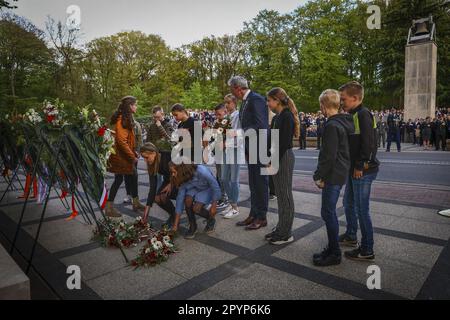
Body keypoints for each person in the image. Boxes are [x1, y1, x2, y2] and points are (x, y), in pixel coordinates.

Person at [339, 81, 379, 262]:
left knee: (362, 209)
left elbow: (369, 144)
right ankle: (351, 235)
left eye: (344, 99)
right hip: (354, 168)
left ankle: (367, 248)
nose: (341, 103)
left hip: (362, 170)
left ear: (355, 98)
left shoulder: (363, 114)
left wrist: (359, 166)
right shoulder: (352, 114)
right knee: (348, 204)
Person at [313, 89, 354, 266]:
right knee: (328, 212)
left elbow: (328, 155)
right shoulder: (345, 122)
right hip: (341, 171)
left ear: (324, 106)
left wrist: (318, 175)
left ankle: (334, 253)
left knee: (328, 212)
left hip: (333, 174)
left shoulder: (331, 125)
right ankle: (331, 248)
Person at [228, 76, 269, 231]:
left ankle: (262, 217)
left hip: (260, 147)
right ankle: (254, 213)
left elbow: (260, 125)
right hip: (251, 148)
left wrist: (238, 133)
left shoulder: (256, 99)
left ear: (238, 87)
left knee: (260, 184)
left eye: (232, 90)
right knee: (253, 183)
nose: (232, 93)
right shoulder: (246, 101)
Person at [265, 87, 299, 245]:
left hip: (283, 157)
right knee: (280, 195)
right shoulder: (279, 116)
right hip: (277, 156)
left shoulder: (286, 116)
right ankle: (281, 227)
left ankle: (286, 233)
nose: (268, 103)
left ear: (277, 100)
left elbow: (284, 143)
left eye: (269, 100)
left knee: (285, 195)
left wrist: (272, 159)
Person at [106, 96, 140, 218]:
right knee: (122, 178)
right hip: (122, 157)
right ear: (130, 106)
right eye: (135, 104)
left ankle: (135, 202)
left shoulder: (125, 118)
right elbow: (121, 141)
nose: (136, 107)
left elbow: (125, 139)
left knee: (129, 176)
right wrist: (132, 156)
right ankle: (109, 208)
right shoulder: (122, 120)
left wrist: (133, 151)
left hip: (123, 155)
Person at [170, 162, 222, 239]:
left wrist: (214, 205)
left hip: (208, 188)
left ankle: (211, 219)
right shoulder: (183, 177)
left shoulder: (202, 171)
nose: (173, 175)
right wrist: (175, 225)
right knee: (187, 200)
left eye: (174, 172)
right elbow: (179, 200)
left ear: (181, 169)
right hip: (195, 188)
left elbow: (215, 186)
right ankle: (193, 226)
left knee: (196, 209)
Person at [221, 94, 242, 219]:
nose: (226, 105)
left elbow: (241, 131)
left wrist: (227, 138)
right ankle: (231, 202)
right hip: (226, 149)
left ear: (234, 103)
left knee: (234, 179)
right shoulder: (226, 117)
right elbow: (221, 131)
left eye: (228, 103)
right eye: (225, 103)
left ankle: (235, 207)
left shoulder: (238, 115)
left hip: (235, 149)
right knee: (224, 178)